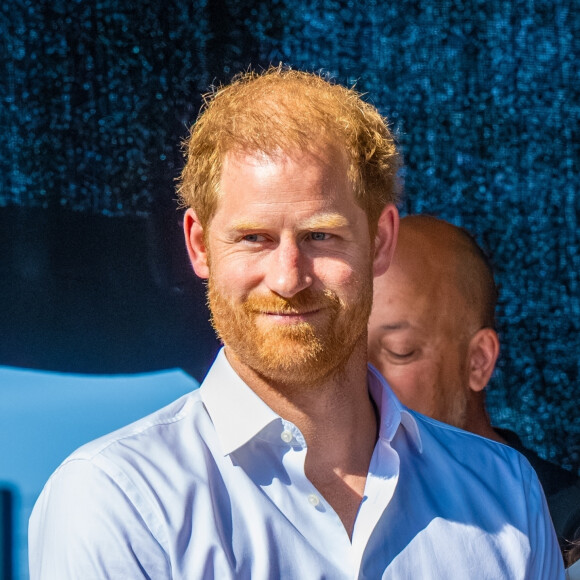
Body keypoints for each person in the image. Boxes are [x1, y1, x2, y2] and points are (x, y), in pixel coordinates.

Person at [29, 67, 563, 578]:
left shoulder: (507, 494)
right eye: (254, 238)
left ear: (380, 241)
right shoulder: (116, 499)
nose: (288, 278)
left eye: (320, 236)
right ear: (198, 245)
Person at [368, 213, 580, 557]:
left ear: (479, 361)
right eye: (346, 355)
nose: (365, 379)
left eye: (399, 352)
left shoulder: (562, 532)